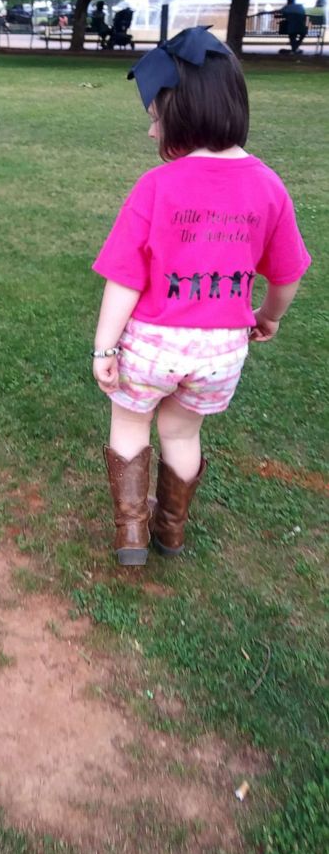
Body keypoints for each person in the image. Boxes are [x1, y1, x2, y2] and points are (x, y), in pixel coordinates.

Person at [91, 27, 311, 566]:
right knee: (181, 431)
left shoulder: (157, 187)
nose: (151, 132)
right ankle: (172, 530)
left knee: (130, 423)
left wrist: (104, 349)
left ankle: (131, 536)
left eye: (155, 116)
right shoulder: (269, 186)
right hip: (221, 352)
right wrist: (270, 317)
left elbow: (124, 278)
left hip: (151, 346)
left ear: (183, 111)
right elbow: (287, 273)